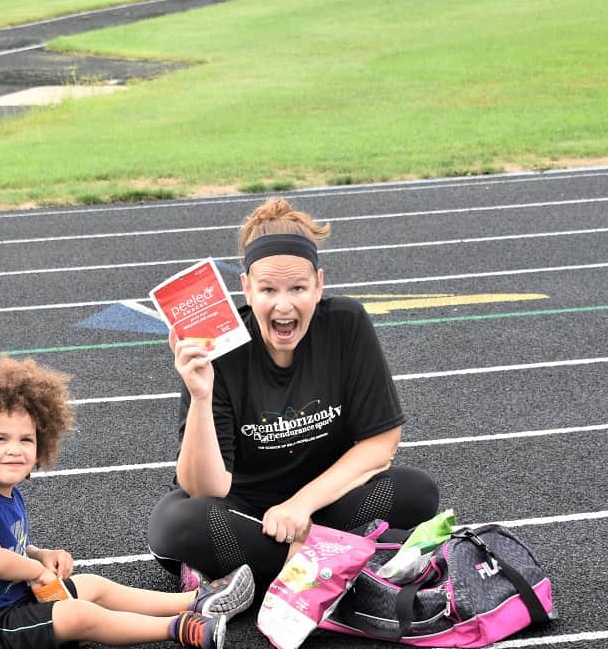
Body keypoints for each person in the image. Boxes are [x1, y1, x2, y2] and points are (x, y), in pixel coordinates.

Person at [147, 197, 440, 595]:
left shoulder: (345, 324)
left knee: (416, 492)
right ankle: (337, 567)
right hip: (245, 512)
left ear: (319, 284)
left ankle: (248, 575)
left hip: (325, 504)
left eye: (298, 287)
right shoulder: (216, 348)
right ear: (246, 288)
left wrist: (300, 507)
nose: (283, 305)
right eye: (268, 289)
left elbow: (380, 445)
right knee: (175, 525)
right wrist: (200, 395)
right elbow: (205, 488)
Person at [0, 355, 254, 649]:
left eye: (26, 440)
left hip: (17, 600)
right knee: (80, 614)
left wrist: (40, 554)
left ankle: (195, 601)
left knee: (93, 585)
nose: (14, 450)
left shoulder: (6, 493)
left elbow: (8, 546)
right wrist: (36, 571)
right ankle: (180, 629)